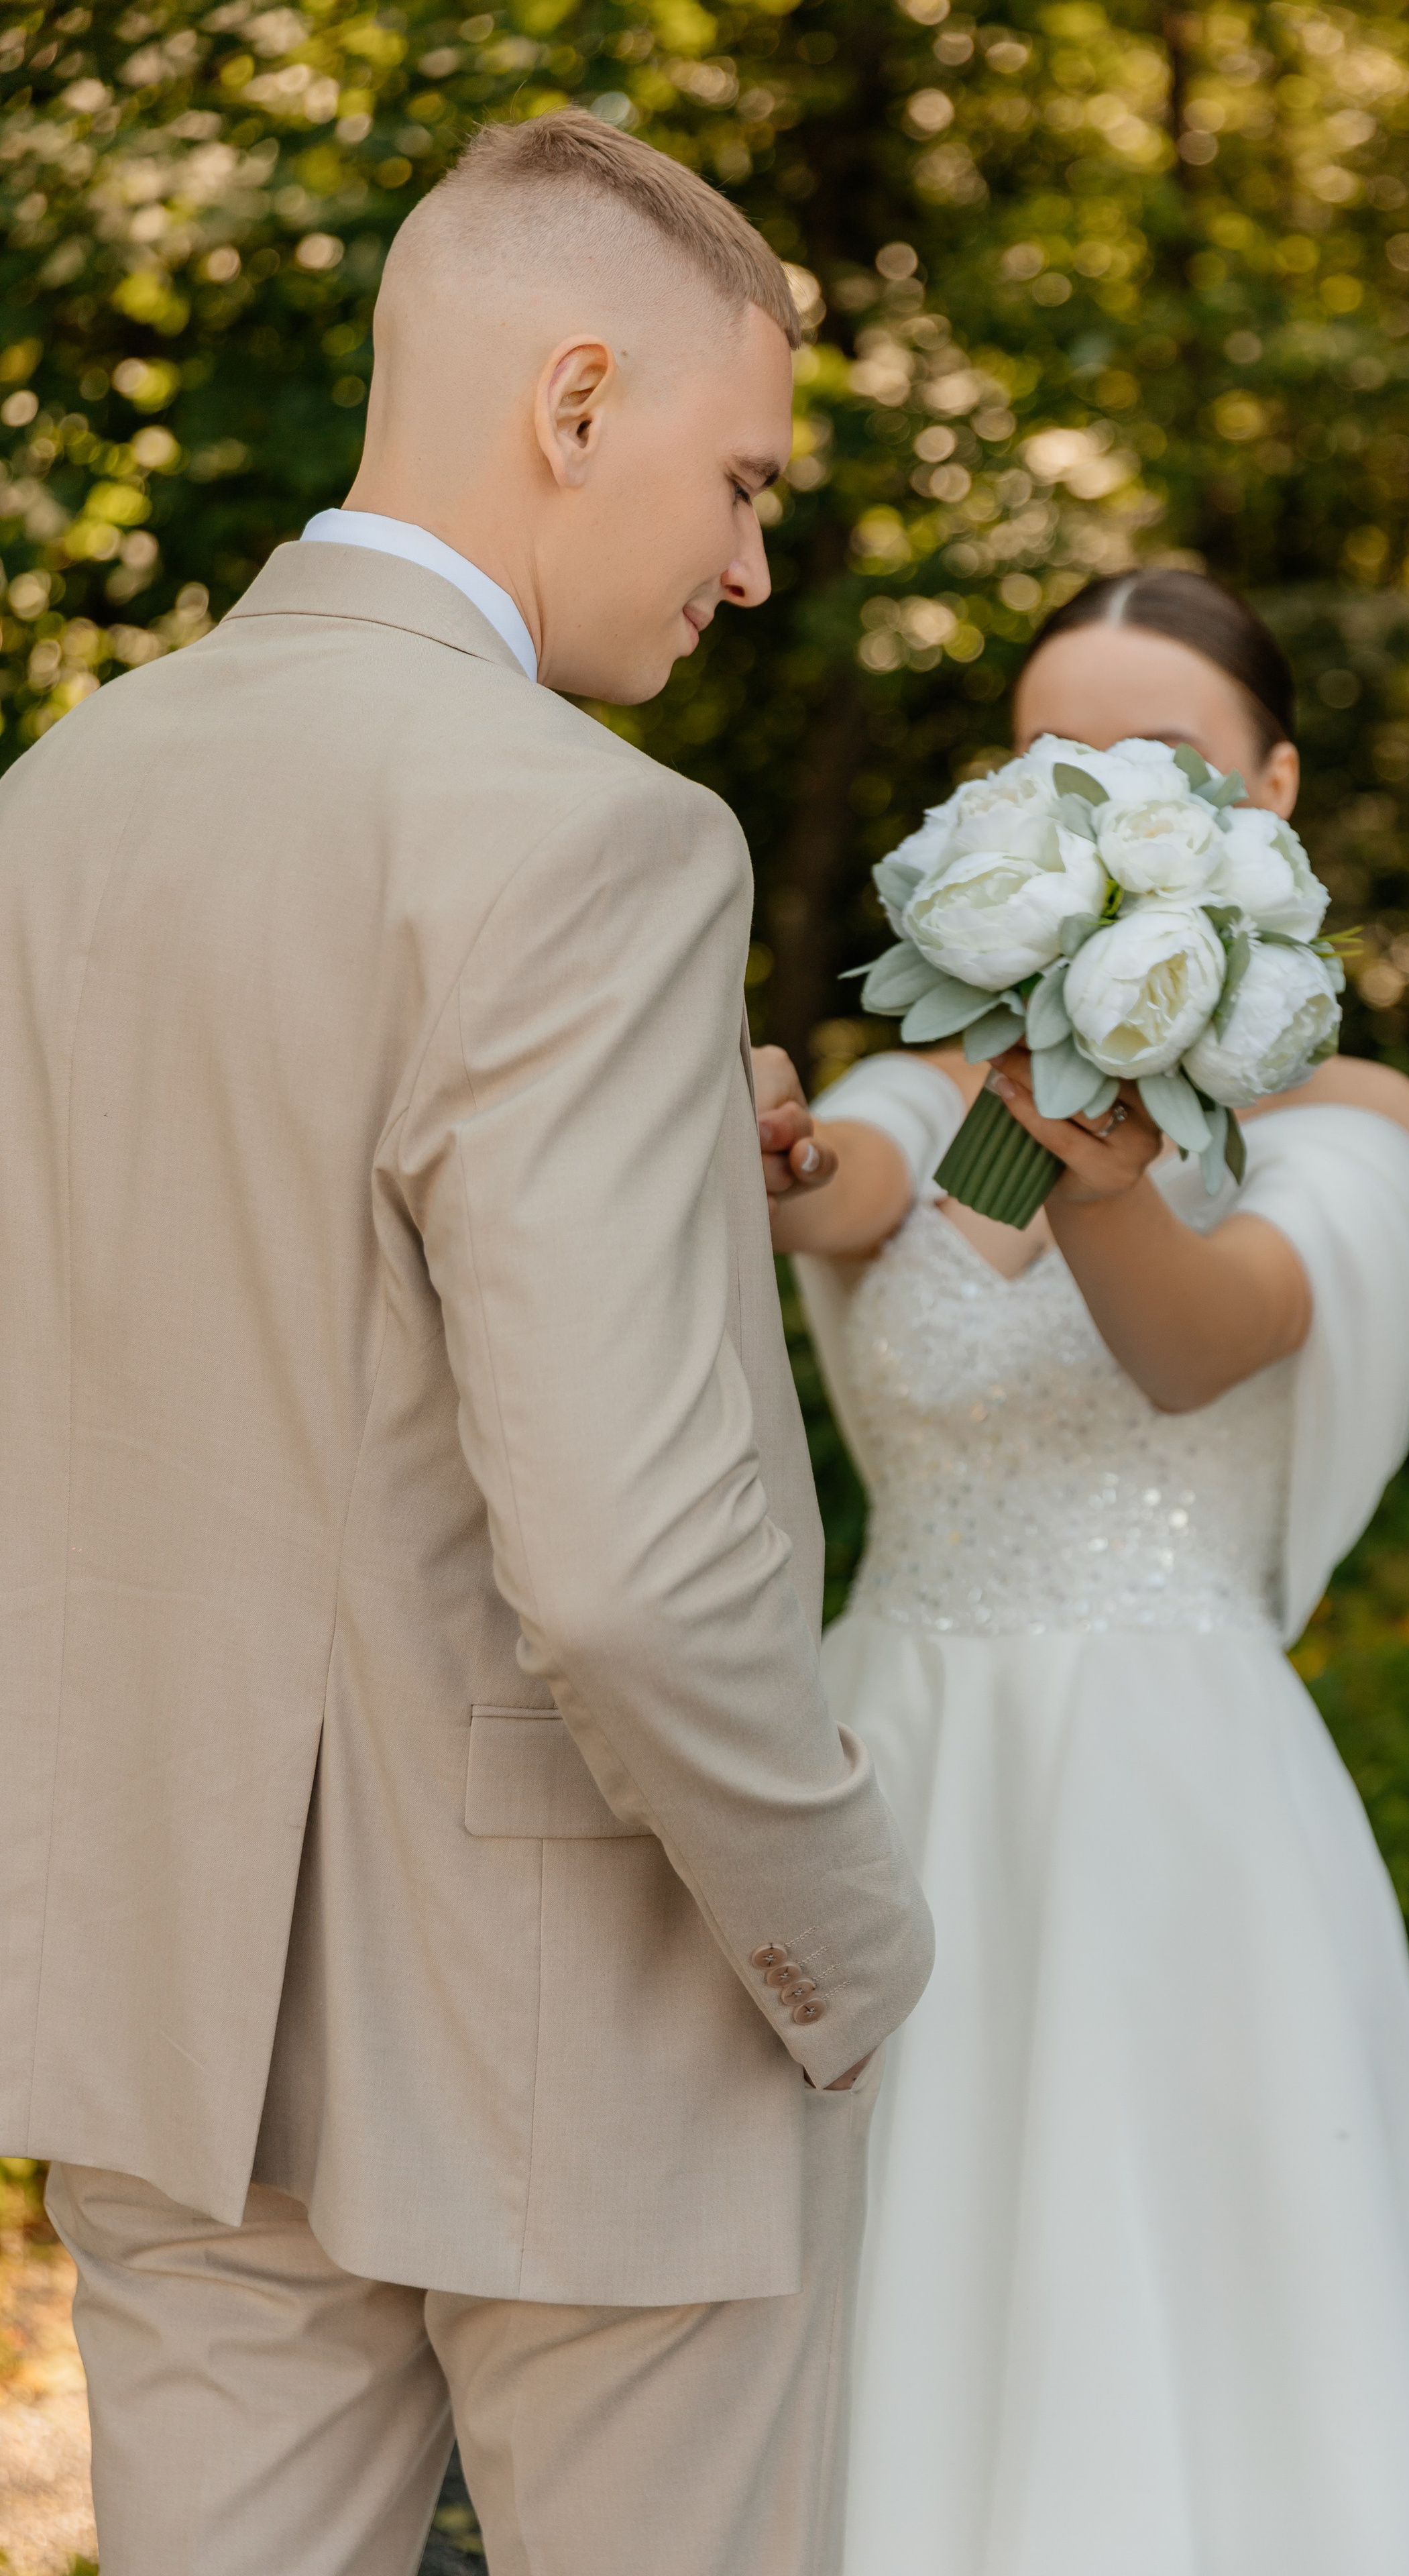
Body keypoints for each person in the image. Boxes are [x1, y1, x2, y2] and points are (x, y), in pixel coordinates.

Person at [0, 109, 932, 2576]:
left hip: (170, 2012)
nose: (752, 563)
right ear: (575, 399)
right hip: (582, 2018)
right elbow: (627, 1571)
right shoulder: (599, 837)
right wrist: (840, 1924)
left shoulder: (58, 807)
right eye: (740, 483)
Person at [763, 568, 1409, 2575]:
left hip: (1174, 1818)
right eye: (1051, 764)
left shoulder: (1347, 1117)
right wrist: (750, 1133)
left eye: (1159, 767)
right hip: (889, 1773)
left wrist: (1105, 1187)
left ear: (1269, 791)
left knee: (1165, 2324)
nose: (1098, 809)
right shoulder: (925, 1098)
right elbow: (832, 1194)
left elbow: (1201, 1342)